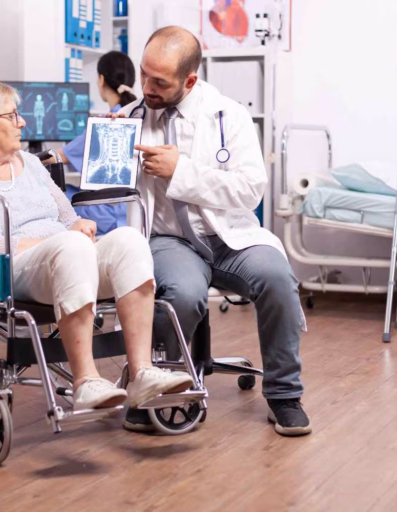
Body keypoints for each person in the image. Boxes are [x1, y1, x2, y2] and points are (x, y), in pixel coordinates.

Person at [0, 79, 193, 413]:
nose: (22, 122)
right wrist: (63, 237)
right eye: (13, 115)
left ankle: (142, 371)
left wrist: (74, 227)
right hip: (11, 271)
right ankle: (85, 381)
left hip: (65, 258)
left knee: (129, 240)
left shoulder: (29, 164)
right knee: (71, 247)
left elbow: (66, 215)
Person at [119, 26, 311, 437]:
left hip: (230, 238)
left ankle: (284, 395)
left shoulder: (230, 116)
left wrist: (181, 173)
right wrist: (108, 153)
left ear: (189, 80)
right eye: (144, 75)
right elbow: (108, 192)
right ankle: (161, 391)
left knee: (278, 279)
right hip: (170, 239)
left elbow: (250, 189)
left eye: (160, 82)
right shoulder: (130, 118)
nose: (147, 88)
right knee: (183, 294)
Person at [44, 51, 137, 235]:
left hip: (105, 216)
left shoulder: (107, 122)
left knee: (53, 193)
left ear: (101, 79)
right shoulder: (139, 116)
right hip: (132, 213)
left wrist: (25, 160)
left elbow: (58, 157)